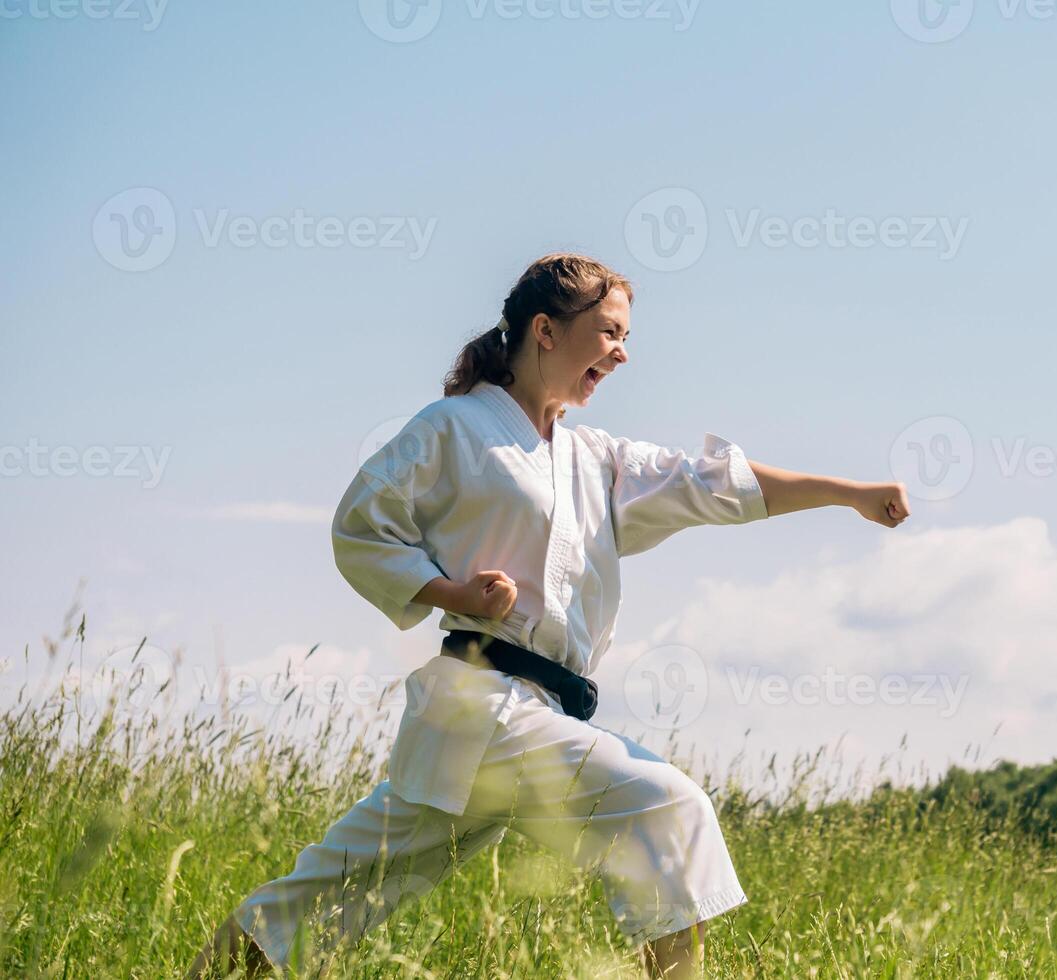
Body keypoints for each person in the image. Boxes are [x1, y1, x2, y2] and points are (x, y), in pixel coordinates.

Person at [186, 252, 910, 979]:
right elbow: (361, 527)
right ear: (546, 330)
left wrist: (847, 491)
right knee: (669, 807)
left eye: (626, 337)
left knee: (335, 890)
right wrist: (455, 595)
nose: (623, 352)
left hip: (523, 714)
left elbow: (712, 485)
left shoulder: (595, 458)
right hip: (482, 701)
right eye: (609, 333)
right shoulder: (454, 428)